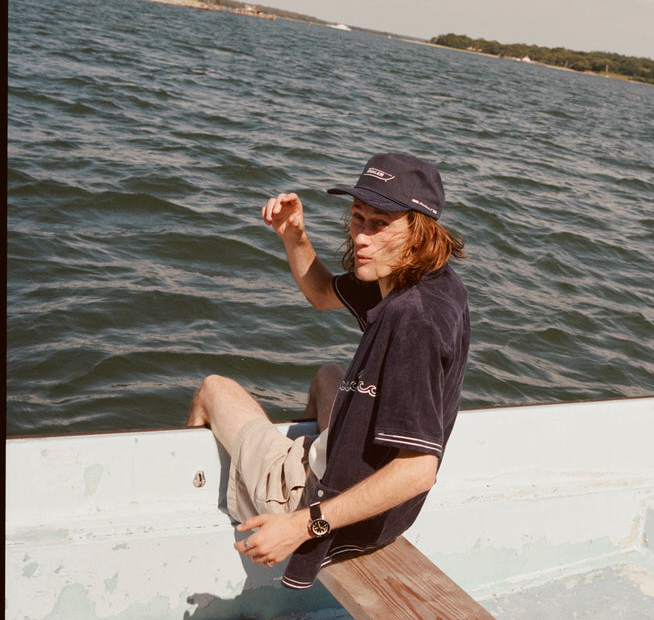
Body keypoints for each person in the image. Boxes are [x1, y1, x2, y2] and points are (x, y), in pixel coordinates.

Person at [186, 152, 470, 589]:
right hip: (386, 514)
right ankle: (308, 463)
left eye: (381, 224)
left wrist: (303, 525)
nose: (362, 237)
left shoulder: (413, 319)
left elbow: (418, 470)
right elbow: (320, 293)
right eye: (358, 218)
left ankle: (274, 490)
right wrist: (293, 235)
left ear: (419, 231)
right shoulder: (428, 279)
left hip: (328, 512)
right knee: (328, 375)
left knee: (212, 388)